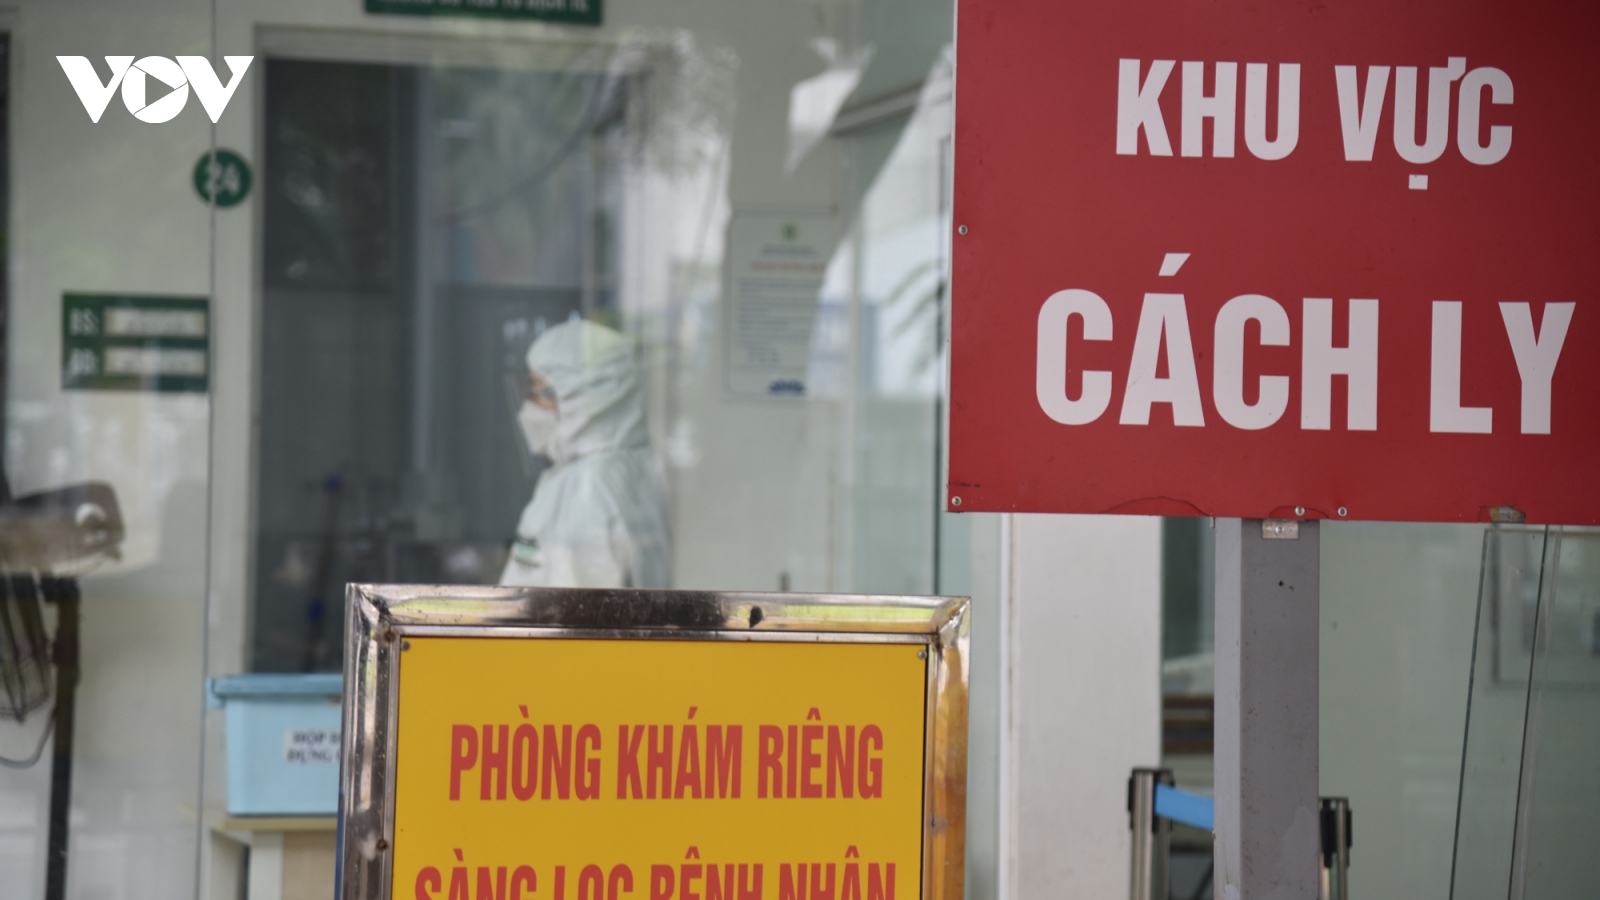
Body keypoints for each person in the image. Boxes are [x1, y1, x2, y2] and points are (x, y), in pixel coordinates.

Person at [500, 319, 670, 588]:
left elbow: (580, 604)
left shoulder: (590, 484)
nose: (530, 405)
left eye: (538, 390)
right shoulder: (634, 467)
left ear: (580, 395)